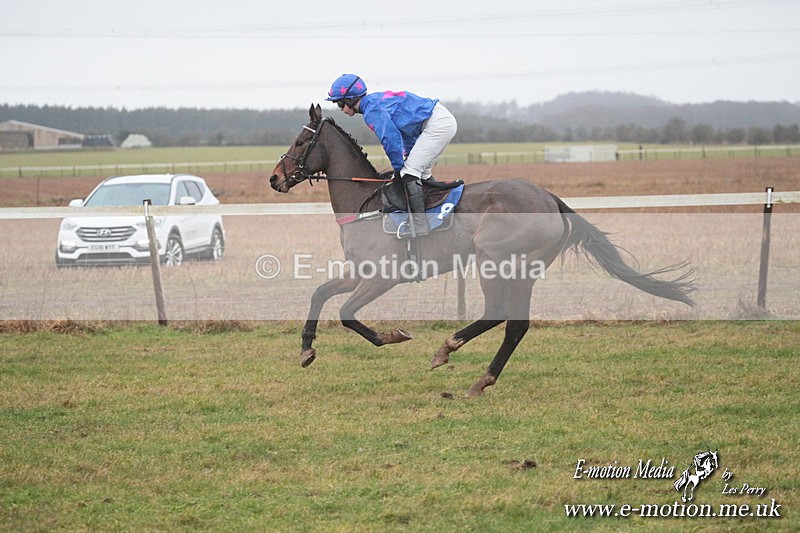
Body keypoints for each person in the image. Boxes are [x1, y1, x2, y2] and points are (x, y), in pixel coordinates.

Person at [325, 73, 457, 236]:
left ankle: (420, 225)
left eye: (339, 103)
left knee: (409, 173)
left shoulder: (372, 110)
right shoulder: (373, 103)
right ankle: (436, 213)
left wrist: (397, 168)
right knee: (421, 173)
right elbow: (406, 132)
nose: (340, 109)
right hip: (436, 122)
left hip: (437, 124)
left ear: (351, 99)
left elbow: (391, 139)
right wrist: (406, 157)